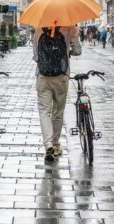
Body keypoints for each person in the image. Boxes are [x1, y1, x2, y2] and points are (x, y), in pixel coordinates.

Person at [33, 25, 82, 162]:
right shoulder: (69, 27)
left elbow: (36, 56)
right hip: (61, 76)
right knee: (58, 113)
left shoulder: (39, 29)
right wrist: (68, 51)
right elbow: (77, 51)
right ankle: (55, 144)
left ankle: (47, 144)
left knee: (44, 112)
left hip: (43, 77)